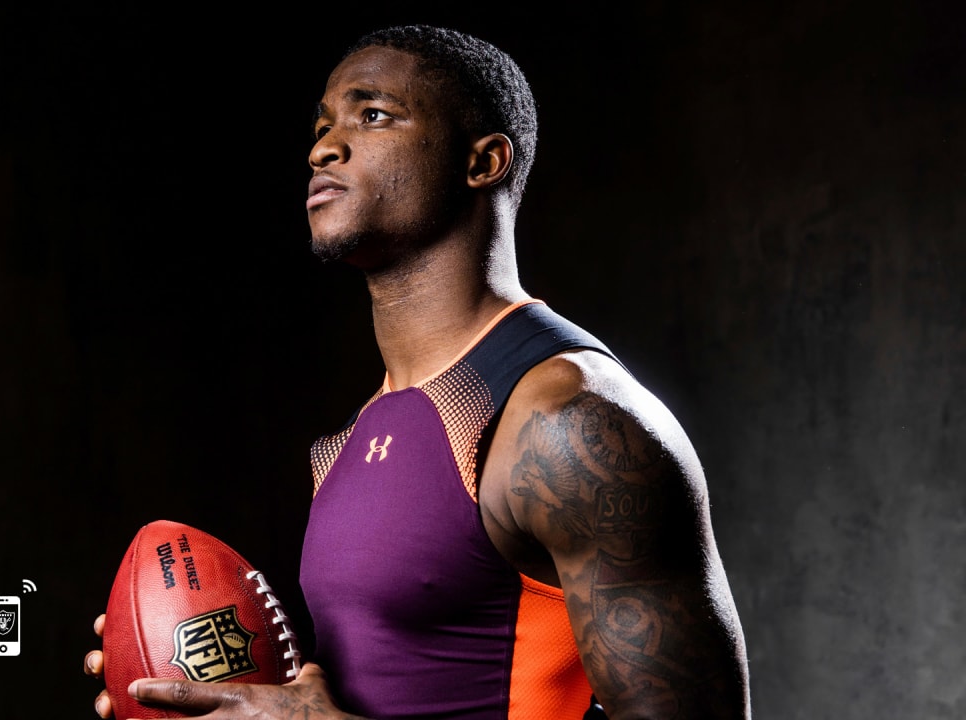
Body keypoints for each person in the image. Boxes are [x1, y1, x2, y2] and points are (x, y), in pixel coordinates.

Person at [84, 25, 751, 719]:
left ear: (484, 161)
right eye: (322, 126)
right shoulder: (347, 442)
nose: (323, 148)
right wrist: (203, 685)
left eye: (373, 116)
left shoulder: (568, 421)